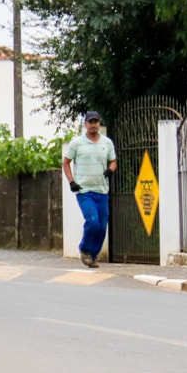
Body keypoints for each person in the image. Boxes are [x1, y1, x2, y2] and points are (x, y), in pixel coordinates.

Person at [62, 110, 117, 268]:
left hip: (102, 190)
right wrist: (72, 181)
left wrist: (110, 170)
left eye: (96, 122)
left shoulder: (107, 143)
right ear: (85, 124)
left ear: (99, 123)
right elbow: (66, 162)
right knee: (92, 221)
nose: (93, 125)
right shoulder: (77, 143)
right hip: (84, 191)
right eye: (90, 122)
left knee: (102, 225)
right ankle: (84, 249)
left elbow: (113, 161)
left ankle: (93, 255)